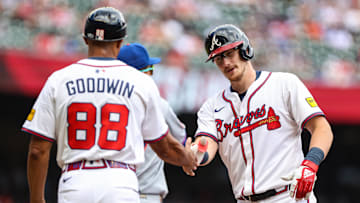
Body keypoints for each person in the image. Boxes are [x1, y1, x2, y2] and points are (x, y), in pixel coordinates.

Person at [22, 7, 196, 203]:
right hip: (120, 180)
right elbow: (164, 147)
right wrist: (187, 159)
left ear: (85, 39)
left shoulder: (59, 79)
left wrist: (36, 199)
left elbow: (37, 150)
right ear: (120, 42)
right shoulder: (140, 81)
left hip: (75, 180)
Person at [188, 24, 333, 203]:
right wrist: (196, 154)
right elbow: (206, 144)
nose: (225, 63)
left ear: (245, 50)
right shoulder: (211, 107)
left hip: (288, 196)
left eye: (229, 53)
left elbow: (321, 128)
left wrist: (310, 164)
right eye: (218, 58)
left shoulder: (284, 84)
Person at [117, 43, 187, 203]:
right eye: (150, 70)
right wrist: (190, 159)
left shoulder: (106, 105)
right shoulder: (159, 104)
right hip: (147, 195)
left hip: (112, 192)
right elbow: (181, 141)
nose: (152, 75)